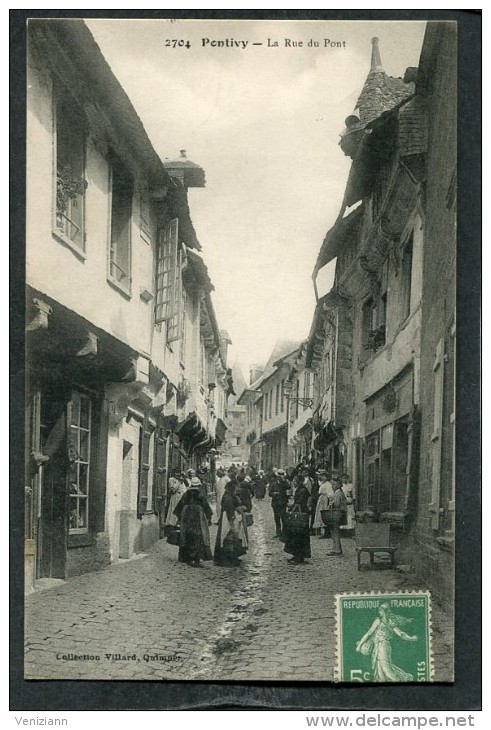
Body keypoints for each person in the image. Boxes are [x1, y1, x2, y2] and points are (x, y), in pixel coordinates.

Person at [356, 603, 418, 681]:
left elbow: (368, 633)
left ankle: (398, 681)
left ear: (383, 611)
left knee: (386, 668)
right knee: (381, 669)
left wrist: (359, 645)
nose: (379, 612)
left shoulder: (378, 621)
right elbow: (401, 634)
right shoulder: (391, 622)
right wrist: (411, 638)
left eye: (380, 610)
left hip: (381, 646)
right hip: (384, 646)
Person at [173, 478, 213, 567]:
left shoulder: (186, 494)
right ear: (199, 485)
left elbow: (180, 506)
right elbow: (206, 506)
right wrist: (209, 517)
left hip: (186, 517)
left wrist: (180, 517)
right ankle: (196, 558)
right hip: (198, 517)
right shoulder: (201, 494)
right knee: (198, 535)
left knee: (186, 534)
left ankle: (186, 557)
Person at [214, 480, 249, 566]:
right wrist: (232, 523)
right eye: (236, 488)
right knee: (229, 538)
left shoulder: (230, 496)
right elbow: (230, 511)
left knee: (231, 539)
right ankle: (228, 559)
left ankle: (232, 557)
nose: (237, 490)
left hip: (230, 518)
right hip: (229, 520)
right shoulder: (229, 498)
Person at [283, 478, 311, 564]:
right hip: (302, 514)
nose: (294, 483)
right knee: (300, 537)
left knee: (297, 536)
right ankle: (298, 556)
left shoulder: (302, 491)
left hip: (300, 515)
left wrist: (292, 509)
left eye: (295, 482)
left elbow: (299, 503)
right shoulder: (302, 490)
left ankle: (298, 557)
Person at [326, 478, 348, 556]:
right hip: (339, 514)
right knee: (335, 531)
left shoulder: (338, 493)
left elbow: (337, 504)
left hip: (337, 514)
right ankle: (336, 548)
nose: (332, 486)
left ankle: (337, 549)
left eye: (334, 484)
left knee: (335, 532)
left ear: (338, 485)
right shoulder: (339, 493)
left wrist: (331, 503)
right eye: (332, 485)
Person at [269, 468, 290, 539]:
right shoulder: (273, 484)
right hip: (275, 503)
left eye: (282, 475)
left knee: (283, 518)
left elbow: (288, 488)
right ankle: (278, 532)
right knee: (276, 518)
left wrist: (284, 481)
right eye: (279, 475)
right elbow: (270, 493)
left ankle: (284, 533)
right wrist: (274, 493)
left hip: (283, 503)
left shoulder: (285, 483)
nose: (280, 476)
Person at [313, 469, 333, 537]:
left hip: (325, 499)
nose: (323, 478)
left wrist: (329, 500)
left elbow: (330, 493)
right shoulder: (322, 483)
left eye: (324, 476)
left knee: (325, 515)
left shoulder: (328, 484)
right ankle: (324, 531)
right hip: (321, 499)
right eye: (322, 476)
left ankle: (327, 532)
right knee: (320, 515)